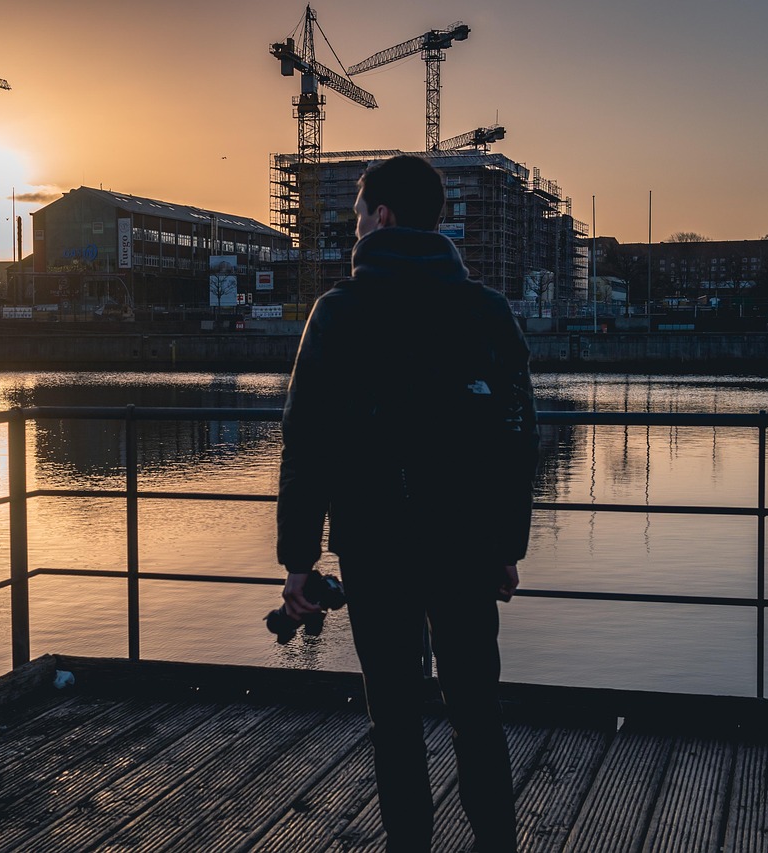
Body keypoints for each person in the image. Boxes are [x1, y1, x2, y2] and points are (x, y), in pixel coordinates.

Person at [275, 154, 539, 852]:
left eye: (359, 214)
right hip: (466, 546)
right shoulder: (485, 311)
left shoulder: (338, 312)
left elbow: (306, 443)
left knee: (393, 716)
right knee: (477, 713)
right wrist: (507, 545)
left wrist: (299, 559)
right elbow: (518, 436)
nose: (355, 226)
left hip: (375, 544)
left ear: (382, 216)